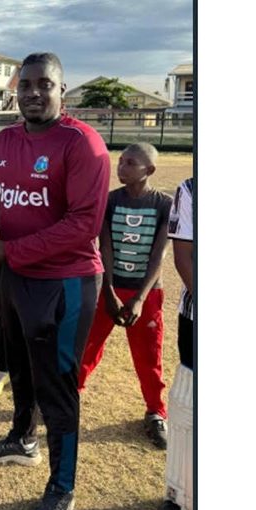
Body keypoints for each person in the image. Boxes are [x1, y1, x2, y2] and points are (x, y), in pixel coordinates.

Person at [0, 52, 110, 510]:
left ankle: (62, 487)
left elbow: (83, 224)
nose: (32, 92)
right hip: (14, 276)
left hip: (65, 282)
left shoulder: (82, 143)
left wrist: (9, 250)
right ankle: (21, 438)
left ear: (61, 90)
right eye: (25, 84)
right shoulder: (7, 138)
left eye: (43, 84)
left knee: (58, 386)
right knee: (19, 364)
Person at [77, 142, 173, 449]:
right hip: (109, 287)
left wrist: (140, 298)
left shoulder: (164, 205)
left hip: (146, 293)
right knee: (88, 346)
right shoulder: (110, 201)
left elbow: (159, 255)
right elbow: (103, 249)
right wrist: (108, 291)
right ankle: (71, 394)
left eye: (131, 163)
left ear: (150, 170)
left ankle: (156, 411)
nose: (122, 167)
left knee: (149, 356)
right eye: (121, 161)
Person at [160, 177, 194, 510]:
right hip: (197, 315)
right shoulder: (192, 189)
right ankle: (181, 498)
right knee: (188, 405)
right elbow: (184, 257)